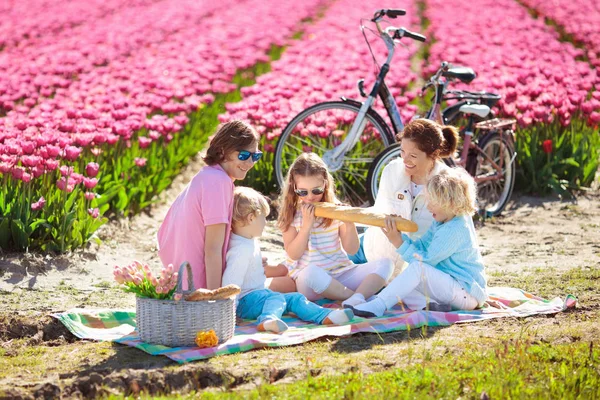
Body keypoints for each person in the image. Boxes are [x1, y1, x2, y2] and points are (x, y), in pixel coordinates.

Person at [350, 168, 488, 317]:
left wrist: (399, 243)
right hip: (453, 288)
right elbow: (421, 246)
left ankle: (378, 305)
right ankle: (427, 305)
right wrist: (399, 236)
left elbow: (426, 262)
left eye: (433, 202)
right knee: (400, 283)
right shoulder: (441, 222)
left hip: (466, 293)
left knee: (417, 269)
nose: (428, 207)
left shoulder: (455, 228)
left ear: (451, 202)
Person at [222, 187, 354, 333]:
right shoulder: (241, 249)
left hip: (258, 295)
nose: (265, 223)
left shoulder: (247, 240)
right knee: (276, 299)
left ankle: (326, 316)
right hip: (246, 302)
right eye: (263, 218)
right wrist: (230, 314)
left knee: (295, 298)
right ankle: (267, 320)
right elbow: (231, 282)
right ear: (251, 218)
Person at [278, 153, 394, 308]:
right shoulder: (291, 213)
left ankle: (355, 298)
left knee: (387, 264)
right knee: (310, 272)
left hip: (341, 274)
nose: (310, 197)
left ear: (325, 184)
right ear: (294, 188)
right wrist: (306, 227)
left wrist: (348, 223)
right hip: (311, 283)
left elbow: (351, 249)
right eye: (303, 192)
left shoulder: (335, 208)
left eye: (316, 190)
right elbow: (293, 254)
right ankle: (355, 298)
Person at [157, 120, 262, 290]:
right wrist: (214, 297)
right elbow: (213, 249)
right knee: (283, 287)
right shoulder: (217, 183)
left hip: (183, 280)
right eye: (243, 155)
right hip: (198, 286)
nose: (250, 163)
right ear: (223, 151)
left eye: (256, 156)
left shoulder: (208, 176)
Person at [350, 119, 459, 270]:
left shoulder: (447, 183)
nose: (405, 159)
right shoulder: (391, 170)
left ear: (433, 154)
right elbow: (378, 211)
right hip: (376, 256)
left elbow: (451, 235)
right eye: (402, 151)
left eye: (413, 155)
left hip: (419, 265)